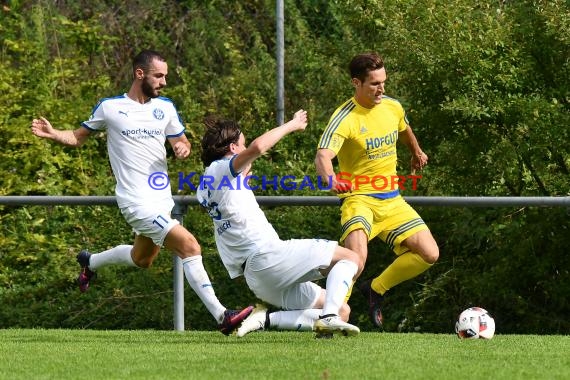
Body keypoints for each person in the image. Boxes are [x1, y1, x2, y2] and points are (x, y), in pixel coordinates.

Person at [30, 49, 252, 335]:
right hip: (135, 202)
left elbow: (179, 139)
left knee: (142, 259)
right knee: (190, 246)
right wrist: (54, 133)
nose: (164, 82)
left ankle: (90, 262)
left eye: (165, 76)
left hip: (161, 201)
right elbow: (76, 137)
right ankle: (223, 316)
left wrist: (181, 147)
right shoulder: (110, 108)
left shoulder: (166, 108)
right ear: (139, 74)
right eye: (159, 76)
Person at [197, 110, 364, 338]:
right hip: (267, 258)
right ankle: (328, 320)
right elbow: (257, 148)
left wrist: (241, 182)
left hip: (257, 277)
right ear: (233, 149)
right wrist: (292, 125)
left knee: (342, 310)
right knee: (351, 258)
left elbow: (229, 205)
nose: (246, 150)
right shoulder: (220, 169)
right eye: (242, 145)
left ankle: (264, 319)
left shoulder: (205, 185)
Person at [314, 52, 439, 329]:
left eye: (383, 82)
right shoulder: (344, 117)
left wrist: (416, 151)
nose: (381, 89)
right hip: (359, 200)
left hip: (392, 200)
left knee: (429, 254)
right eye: (374, 84)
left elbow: (403, 127)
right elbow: (322, 156)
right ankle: (330, 316)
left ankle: (376, 290)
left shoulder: (391, 106)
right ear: (356, 83)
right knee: (355, 260)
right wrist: (331, 179)